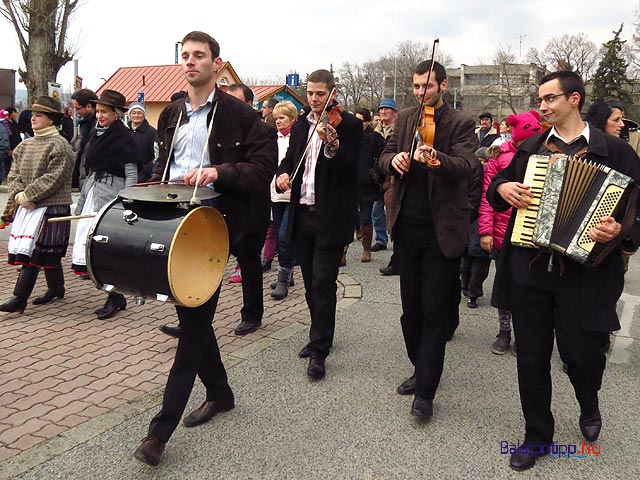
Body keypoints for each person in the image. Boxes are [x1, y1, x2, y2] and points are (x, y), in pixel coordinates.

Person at [133, 31, 276, 467]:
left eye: (199, 56)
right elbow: (165, 164)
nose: (190, 62)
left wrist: (217, 172)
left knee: (193, 324)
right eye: (185, 56)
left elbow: (262, 169)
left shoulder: (243, 117)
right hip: (174, 221)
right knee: (192, 314)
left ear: (217, 63)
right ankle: (220, 392)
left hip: (215, 226)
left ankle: (159, 433)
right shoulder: (172, 113)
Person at [487, 71, 640, 471]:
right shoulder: (532, 147)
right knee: (532, 355)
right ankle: (537, 434)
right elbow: (497, 184)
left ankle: (588, 400)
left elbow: (635, 215)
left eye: (549, 99)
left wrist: (619, 230)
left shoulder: (617, 152)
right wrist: (503, 189)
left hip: (585, 275)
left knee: (584, 355)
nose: (542, 106)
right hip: (530, 267)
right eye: (540, 100)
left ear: (574, 99)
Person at [378, 60, 477, 423]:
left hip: (442, 231)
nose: (421, 93)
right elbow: (383, 156)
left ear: (443, 86)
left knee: (435, 313)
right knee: (411, 311)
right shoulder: (404, 119)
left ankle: (426, 391)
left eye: (428, 87)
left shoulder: (460, 124)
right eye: (417, 87)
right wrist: (395, 160)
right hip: (407, 226)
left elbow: (467, 166)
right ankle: (421, 368)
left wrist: (438, 161)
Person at [275, 69, 362, 381]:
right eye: (310, 93)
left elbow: (353, 168)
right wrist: (283, 174)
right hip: (302, 214)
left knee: (324, 283)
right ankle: (319, 333)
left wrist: (333, 145)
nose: (314, 99)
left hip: (330, 216)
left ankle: (319, 350)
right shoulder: (300, 125)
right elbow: (290, 161)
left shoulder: (348, 125)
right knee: (311, 283)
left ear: (332, 93)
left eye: (320, 94)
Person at [0, 96, 74, 313]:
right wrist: (19, 195)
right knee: (43, 252)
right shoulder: (25, 145)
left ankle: (19, 299)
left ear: (51, 120)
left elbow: (54, 177)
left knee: (34, 253)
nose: (33, 118)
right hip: (29, 205)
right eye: (33, 114)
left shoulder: (60, 145)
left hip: (52, 206)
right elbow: (14, 174)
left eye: (39, 115)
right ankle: (56, 288)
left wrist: (29, 195)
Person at [478, 110, 542, 355]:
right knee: (504, 283)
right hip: (501, 233)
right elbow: (487, 196)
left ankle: (523, 332)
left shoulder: (546, 155)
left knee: (527, 287)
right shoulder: (500, 157)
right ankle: (504, 330)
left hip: (532, 235)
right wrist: (485, 231)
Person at [71, 90, 138, 320]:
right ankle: (113, 294)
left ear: (116, 114)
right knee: (90, 244)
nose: (100, 115)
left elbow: (131, 171)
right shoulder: (95, 134)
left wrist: (127, 199)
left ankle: (115, 295)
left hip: (112, 194)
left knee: (106, 246)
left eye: (104, 112)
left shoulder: (124, 137)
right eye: (98, 111)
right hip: (93, 190)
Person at [225, 82, 275, 336]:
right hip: (222, 204)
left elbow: (264, 171)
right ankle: (192, 319)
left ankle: (252, 314)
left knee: (249, 260)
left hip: (252, 206)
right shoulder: (219, 131)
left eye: (236, 102)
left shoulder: (265, 131)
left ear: (249, 105)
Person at [267, 101, 298, 300]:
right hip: (275, 193)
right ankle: (288, 273)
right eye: (276, 118)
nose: (278, 121)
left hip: (293, 194)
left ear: (293, 119)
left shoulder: (298, 139)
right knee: (280, 233)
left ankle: (282, 280)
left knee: (286, 236)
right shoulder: (272, 139)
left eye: (282, 118)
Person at [354, 107, 385, 262]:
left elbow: (383, 157)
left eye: (361, 121)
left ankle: (366, 248)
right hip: (350, 183)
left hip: (367, 184)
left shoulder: (375, 138)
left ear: (367, 122)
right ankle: (343, 251)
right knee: (348, 217)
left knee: (366, 217)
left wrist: (375, 171)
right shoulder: (348, 136)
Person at [372, 98, 397, 260]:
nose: (383, 112)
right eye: (381, 109)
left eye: (386, 109)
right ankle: (381, 239)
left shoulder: (399, 130)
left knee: (393, 211)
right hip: (377, 176)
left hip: (392, 175)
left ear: (394, 112)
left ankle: (397, 242)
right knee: (376, 211)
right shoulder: (375, 130)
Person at [70, 89, 99, 188]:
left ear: (89, 107)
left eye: (78, 108)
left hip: (92, 179)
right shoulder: (82, 124)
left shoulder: (99, 127)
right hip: (81, 177)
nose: (76, 112)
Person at [126, 102, 158, 183]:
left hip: (144, 175)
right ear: (129, 115)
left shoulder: (152, 132)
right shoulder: (124, 131)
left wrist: (146, 171)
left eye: (139, 113)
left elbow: (155, 156)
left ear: (144, 115)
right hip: (125, 173)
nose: (136, 115)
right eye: (133, 113)